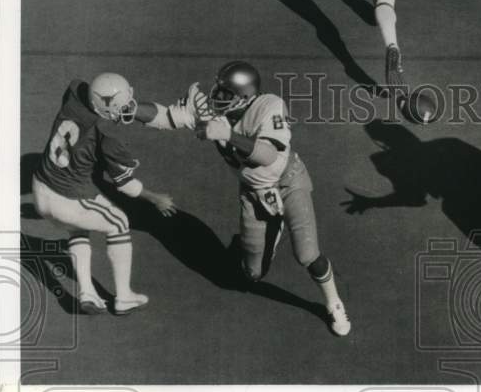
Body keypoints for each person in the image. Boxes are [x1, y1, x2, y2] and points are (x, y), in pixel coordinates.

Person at [137, 61, 351, 336]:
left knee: (307, 254)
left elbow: (267, 155)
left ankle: (333, 302)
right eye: (218, 88)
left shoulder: (270, 105)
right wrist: (131, 110)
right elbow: (165, 116)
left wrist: (228, 134)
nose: (217, 97)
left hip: (288, 182)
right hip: (253, 193)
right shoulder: (208, 106)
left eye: (226, 93)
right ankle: (269, 231)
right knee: (251, 275)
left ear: (247, 96)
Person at [32, 73, 176, 315]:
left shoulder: (75, 97)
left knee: (77, 228)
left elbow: (81, 85)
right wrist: (156, 198)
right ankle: (124, 297)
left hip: (41, 188)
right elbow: (125, 185)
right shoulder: (109, 138)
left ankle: (88, 293)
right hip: (65, 199)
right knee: (118, 222)